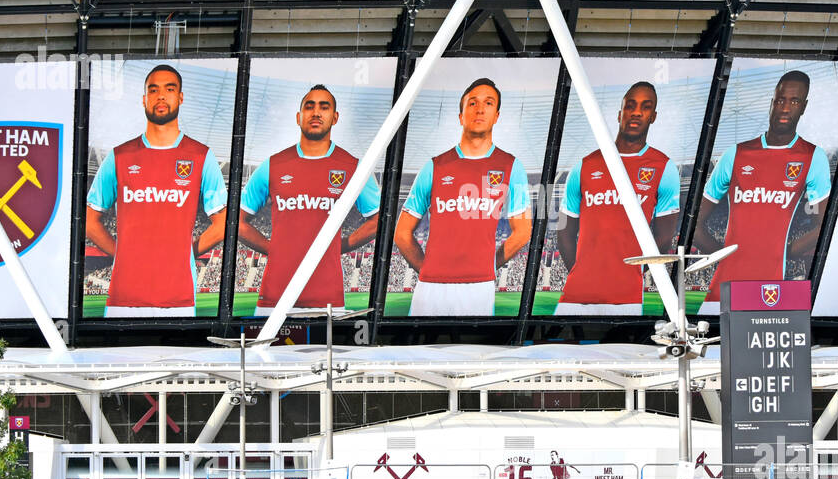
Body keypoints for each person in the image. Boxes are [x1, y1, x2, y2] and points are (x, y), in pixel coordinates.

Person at [198, 85, 380, 314]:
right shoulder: (272, 165)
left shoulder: (354, 167)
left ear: (335, 117)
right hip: (273, 296)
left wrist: (338, 247)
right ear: (298, 117)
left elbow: (379, 220)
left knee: (325, 351)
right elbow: (236, 222)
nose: (316, 113)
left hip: (327, 298)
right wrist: (271, 248)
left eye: (324, 107)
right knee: (263, 351)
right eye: (309, 106)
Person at [85, 63, 227, 316]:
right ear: (144, 99)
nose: (161, 95)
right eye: (153, 90)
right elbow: (89, 220)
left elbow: (223, 223)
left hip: (179, 300)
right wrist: (122, 254)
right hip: (122, 300)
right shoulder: (119, 157)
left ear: (180, 97)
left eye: (169, 89)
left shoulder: (201, 156)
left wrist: (185, 254)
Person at [692, 70, 831, 314]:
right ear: (772, 103)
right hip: (724, 287)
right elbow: (695, 222)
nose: (785, 108)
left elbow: (826, 226)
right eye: (780, 100)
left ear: (804, 107)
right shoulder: (735, 154)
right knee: (714, 350)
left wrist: (784, 251)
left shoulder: (812, 157)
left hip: (772, 288)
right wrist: (720, 255)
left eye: (794, 101)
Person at [393, 78, 531, 316]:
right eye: (472, 103)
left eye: (488, 103)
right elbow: (402, 233)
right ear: (461, 116)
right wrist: (426, 269)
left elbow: (523, 231)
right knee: (419, 352)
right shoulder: (434, 167)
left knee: (472, 352)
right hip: (430, 287)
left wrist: (488, 266)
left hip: (479, 287)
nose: (479, 109)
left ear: (497, 115)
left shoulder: (511, 166)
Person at [554, 81, 680, 315]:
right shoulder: (584, 166)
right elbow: (564, 232)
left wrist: (630, 272)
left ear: (653, 116)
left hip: (627, 298)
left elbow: (663, 239)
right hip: (575, 295)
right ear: (619, 113)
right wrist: (581, 272)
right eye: (630, 105)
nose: (636, 112)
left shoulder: (664, 168)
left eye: (645, 107)